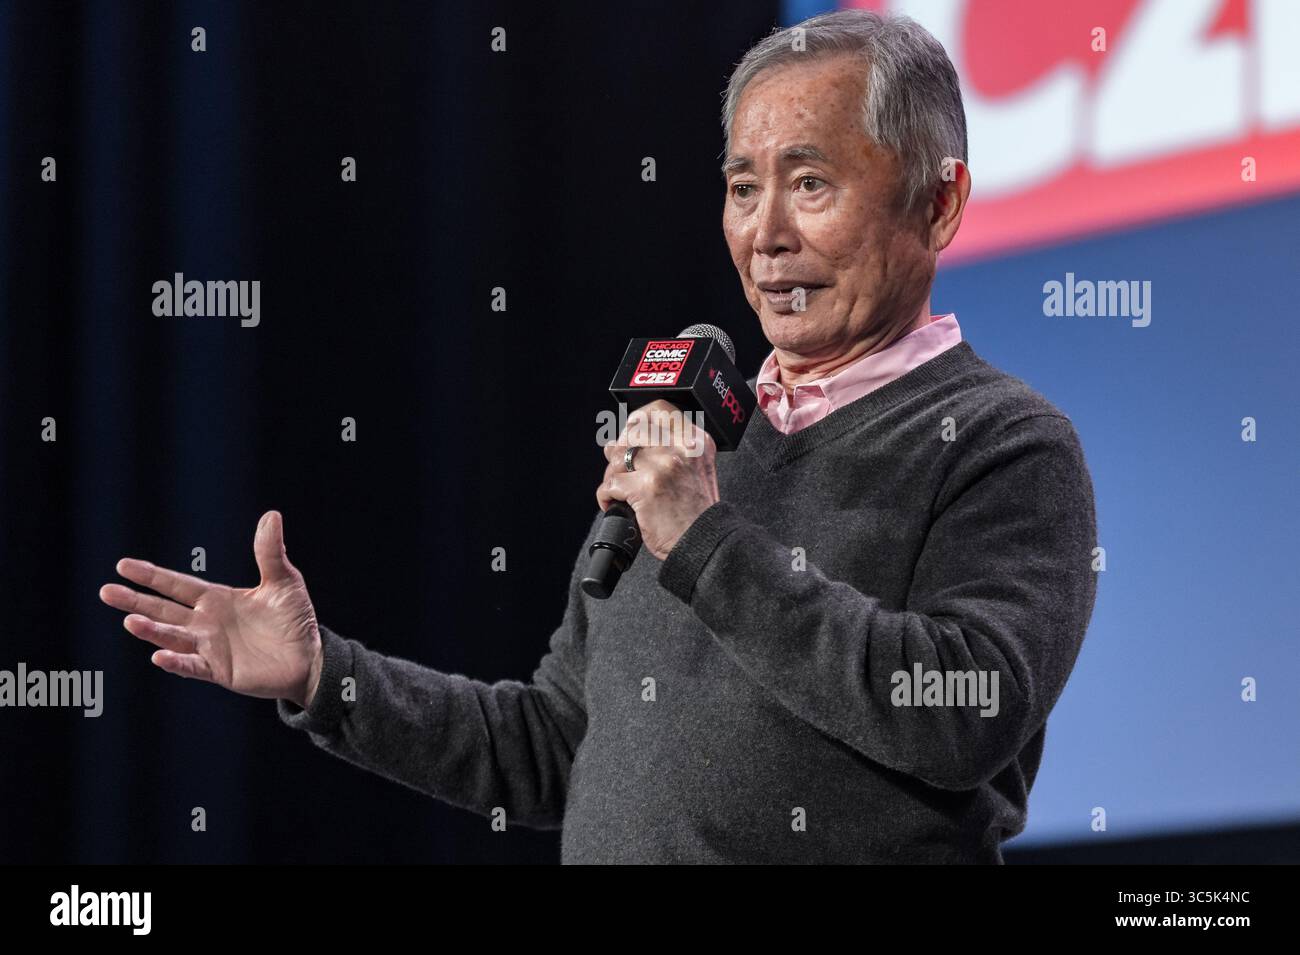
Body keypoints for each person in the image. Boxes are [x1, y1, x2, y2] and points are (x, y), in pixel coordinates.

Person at [98, 9, 1097, 863]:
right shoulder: (696, 438)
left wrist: (705, 541)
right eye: (743, 187)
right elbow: (549, 745)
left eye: (811, 184)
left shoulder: (1004, 445)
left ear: (939, 202)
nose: (764, 233)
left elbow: (956, 711)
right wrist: (328, 677)